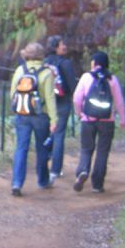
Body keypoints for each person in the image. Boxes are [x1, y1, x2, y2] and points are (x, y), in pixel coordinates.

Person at [72, 51, 125, 193]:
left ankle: (83, 171)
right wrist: (122, 119)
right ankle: (97, 184)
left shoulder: (86, 77)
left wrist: (79, 113)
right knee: (102, 152)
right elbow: (119, 101)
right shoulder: (112, 79)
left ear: (94, 63)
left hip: (88, 120)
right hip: (107, 121)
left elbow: (77, 98)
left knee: (86, 149)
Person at [9, 42, 57, 196]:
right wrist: (54, 120)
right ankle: (42, 181)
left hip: (22, 115)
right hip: (40, 116)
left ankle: (17, 183)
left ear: (26, 54)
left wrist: (18, 109)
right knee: (41, 149)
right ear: (42, 55)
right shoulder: (46, 73)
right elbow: (50, 98)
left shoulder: (20, 70)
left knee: (21, 148)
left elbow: (12, 94)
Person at [44, 35, 78, 182]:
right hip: (62, 103)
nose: (65, 46)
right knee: (58, 135)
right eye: (62, 44)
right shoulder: (65, 63)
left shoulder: (44, 63)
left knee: (47, 133)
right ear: (56, 47)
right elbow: (72, 86)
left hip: (46, 103)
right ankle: (56, 170)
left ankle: (43, 163)